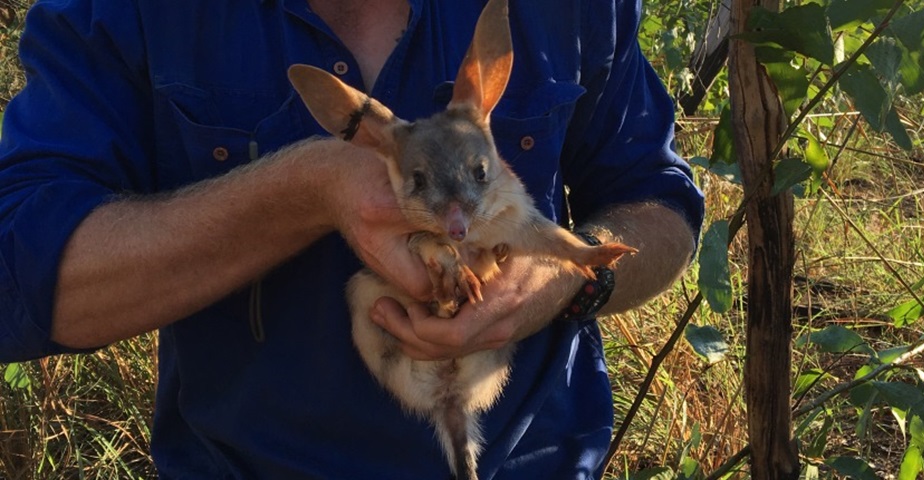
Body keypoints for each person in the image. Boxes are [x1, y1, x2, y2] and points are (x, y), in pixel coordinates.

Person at [0, 0, 704, 478]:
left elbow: (660, 204)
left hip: (530, 459)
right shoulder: (128, 15)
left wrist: (563, 280)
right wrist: (306, 189)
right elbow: (19, 276)